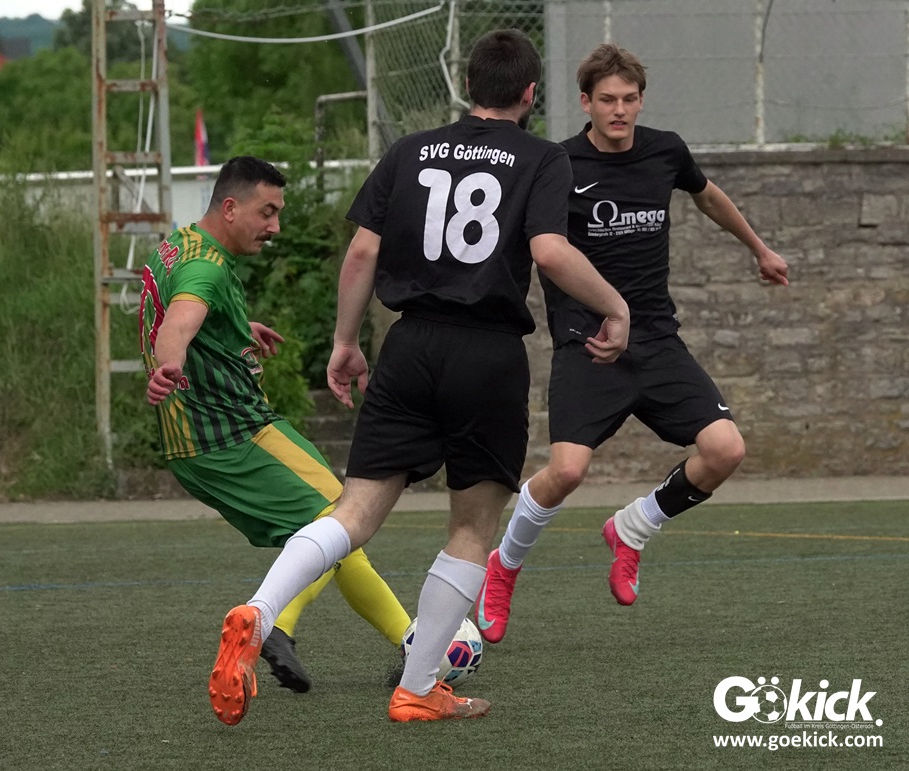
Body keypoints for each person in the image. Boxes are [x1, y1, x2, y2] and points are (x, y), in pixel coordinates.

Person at [206, 29, 630, 726]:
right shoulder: (542, 157)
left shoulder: (410, 150)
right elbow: (551, 252)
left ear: (469, 87)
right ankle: (417, 687)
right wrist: (615, 306)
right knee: (473, 526)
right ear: (530, 93)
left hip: (409, 345)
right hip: (487, 353)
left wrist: (346, 342)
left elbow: (362, 252)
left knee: (353, 512)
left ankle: (260, 609)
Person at [475, 43, 790, 643]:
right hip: (588, 342)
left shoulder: (666, 150)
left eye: (628, 99)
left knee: (725, 450)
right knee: (567, 471)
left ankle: (633, 528)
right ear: (585, 103)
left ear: (641, 100)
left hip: (657, 339)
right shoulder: (557, 163)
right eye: (607, 100)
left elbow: (707, 195)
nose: (618, 110)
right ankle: (504, 566)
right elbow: (527, 243)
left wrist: (759, 248)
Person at [139, 155, 411, 696]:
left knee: (327, 529)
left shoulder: (179, 245)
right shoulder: (206, 268)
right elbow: (179, 323)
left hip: (201, 442)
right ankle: (415, 644)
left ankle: (280, 626)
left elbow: (185, 308)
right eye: (267, 212)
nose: (276, 226)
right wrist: (168, 364)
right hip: (234, 435)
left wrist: (235, 327)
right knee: (341, 525)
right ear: (230, 207)